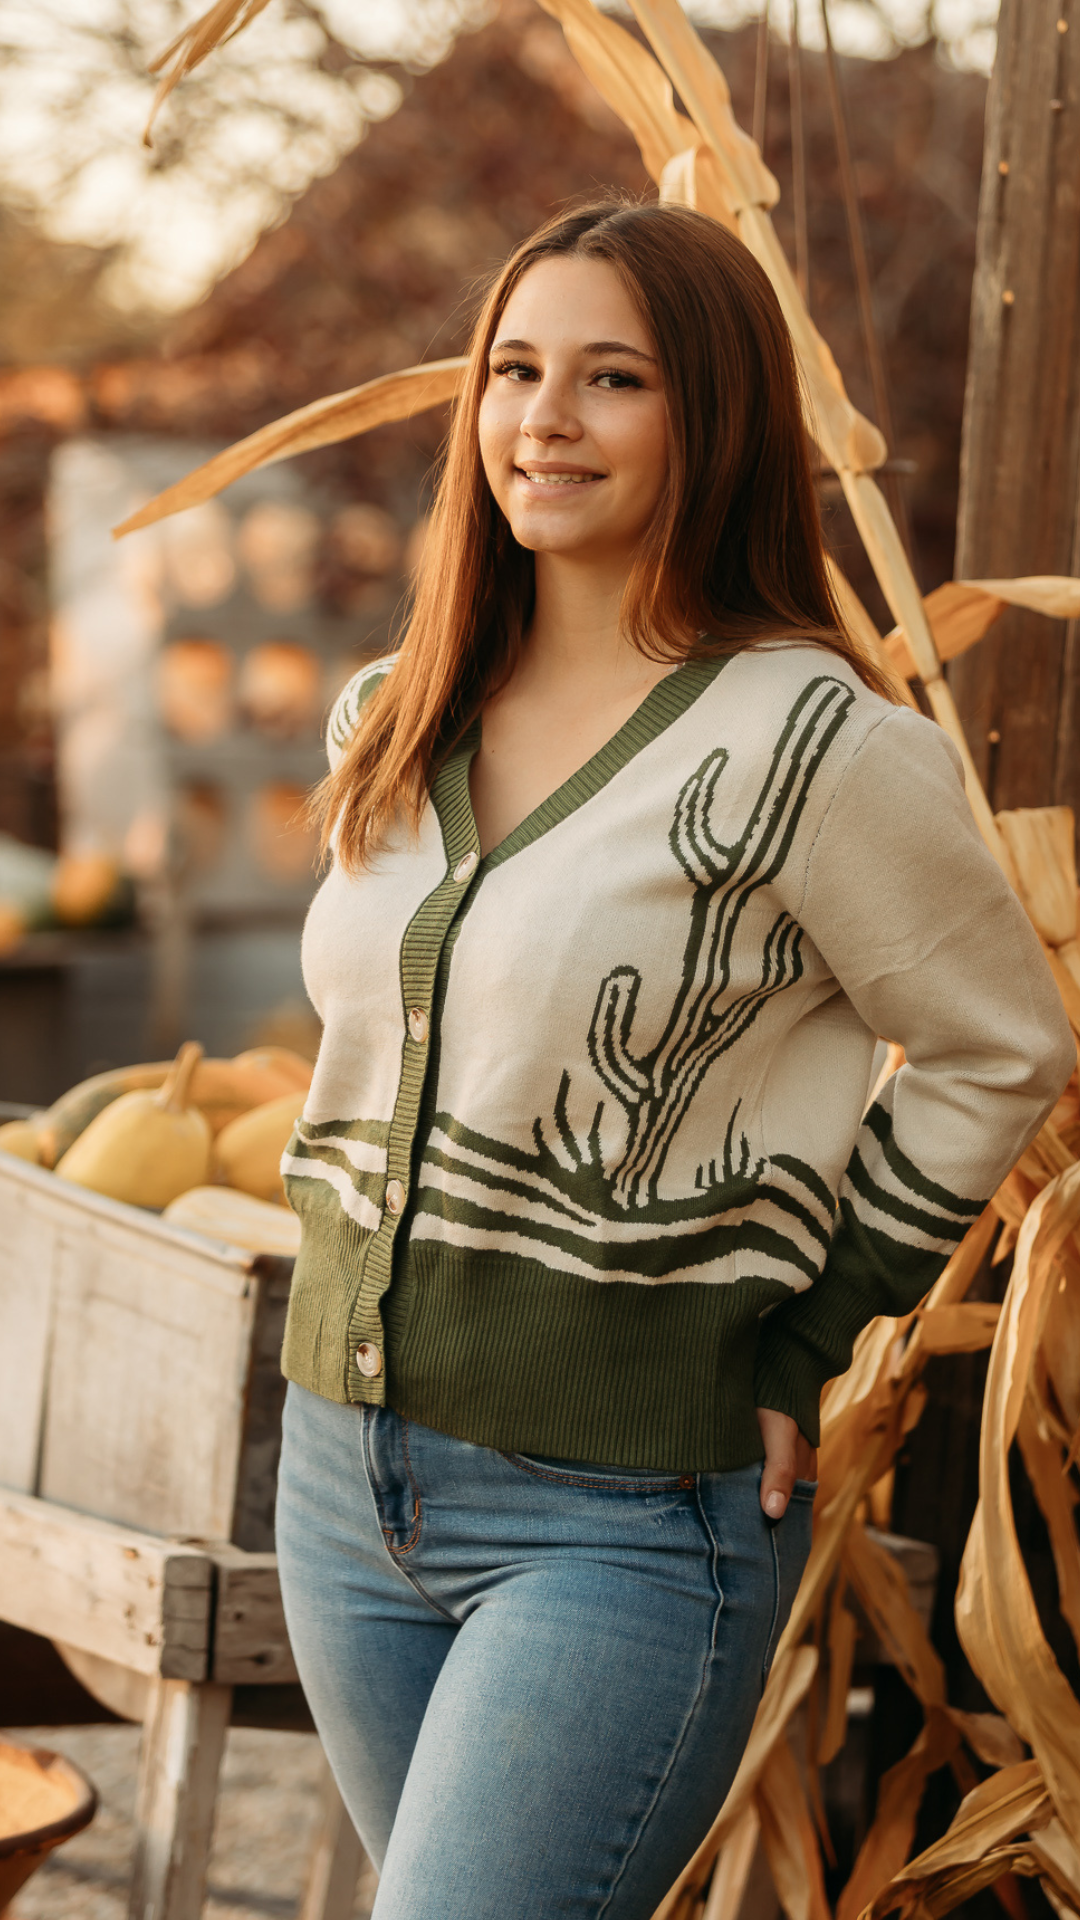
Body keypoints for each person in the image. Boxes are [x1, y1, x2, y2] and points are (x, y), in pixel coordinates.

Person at [274, 201, 1073, 1919]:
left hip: (623, 1523)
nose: (542, 421)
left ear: (707, 416)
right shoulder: (392, 714)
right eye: (515, 370)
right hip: (340, 1485)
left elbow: (998, 1048)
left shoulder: (813, 743)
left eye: (611, 379)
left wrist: (811, 1314)